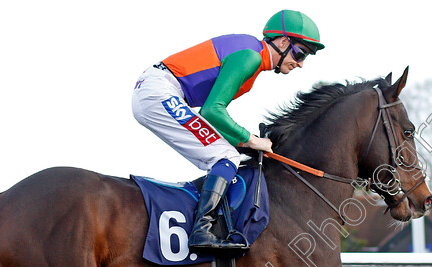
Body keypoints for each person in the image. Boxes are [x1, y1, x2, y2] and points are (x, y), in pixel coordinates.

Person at [132, 10, 323, 251]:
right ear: (283, 42)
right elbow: (211, 112)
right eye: (301, 53)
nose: (301, 63)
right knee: (225, 156)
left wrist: (242, 142)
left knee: (226, 153)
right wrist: (251, 139)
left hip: (159, 91)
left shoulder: (252, 64)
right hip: (159, 92)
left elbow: (212, 119)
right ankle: (201, 230)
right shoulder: (250, 56)